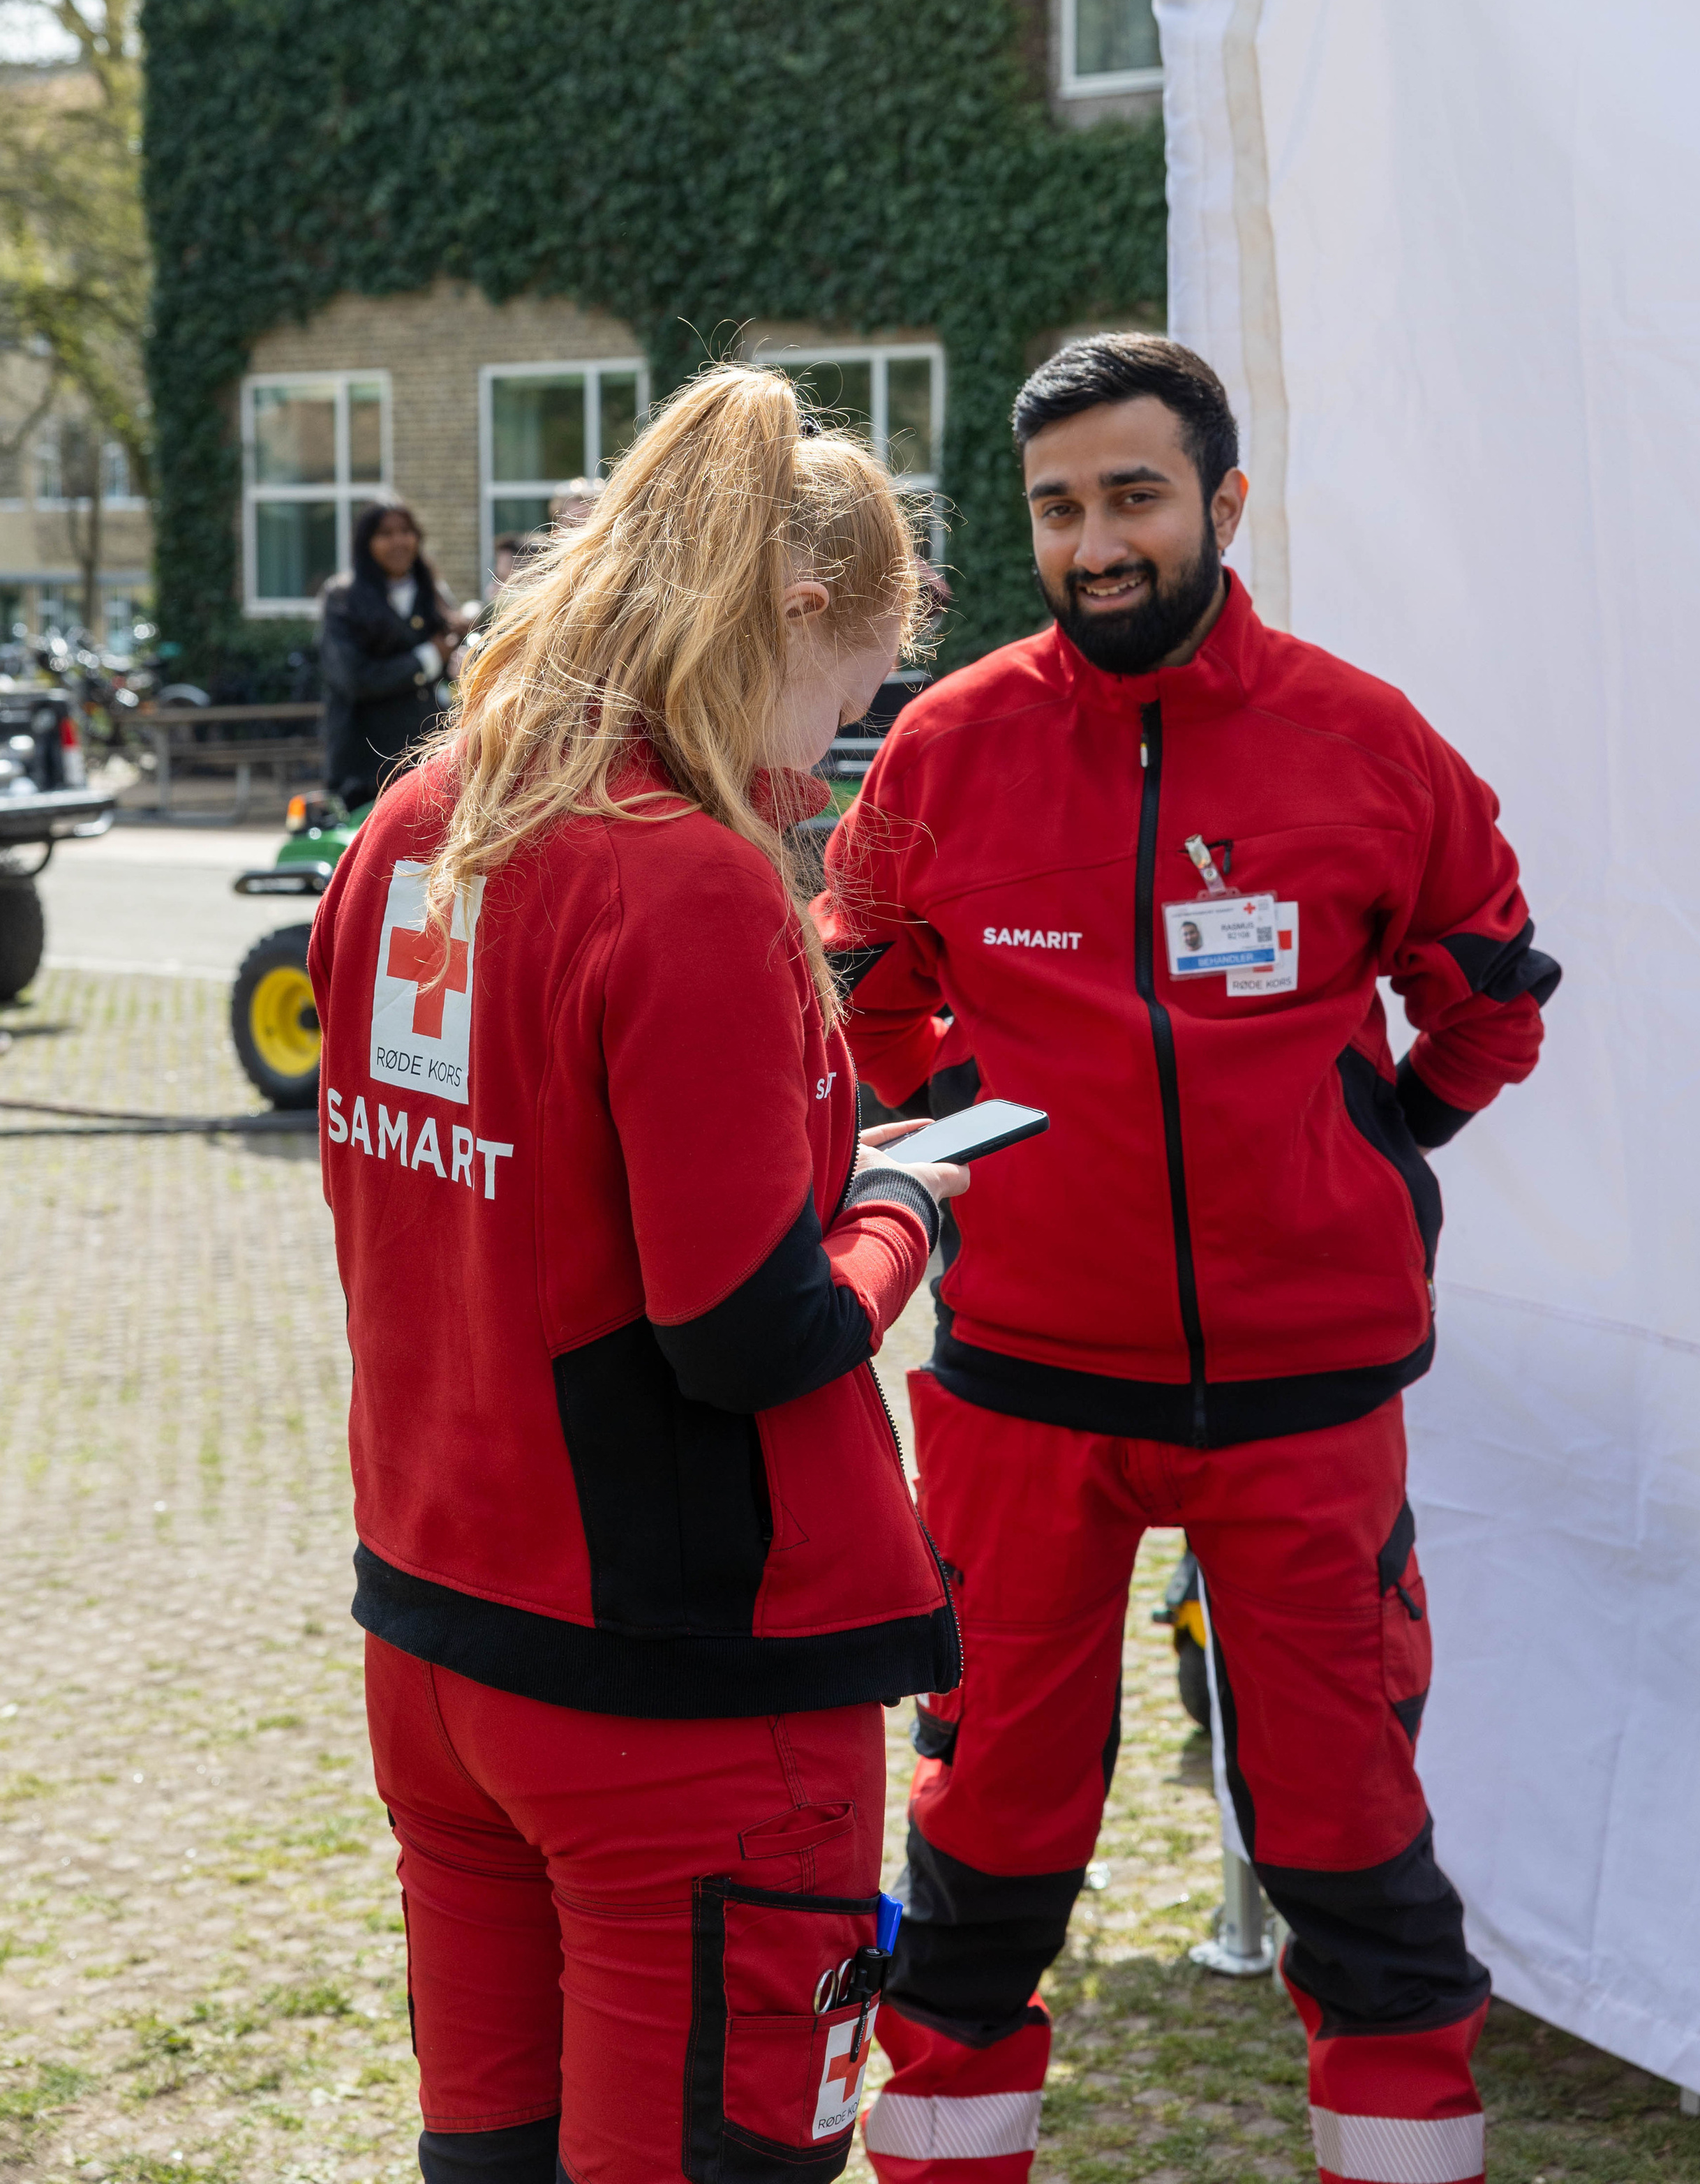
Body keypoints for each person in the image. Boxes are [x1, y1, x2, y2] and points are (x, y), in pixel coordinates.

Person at [816, 334, 1563, 2184]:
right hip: (1025, 1394)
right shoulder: (948, 743)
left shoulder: (1363, 738)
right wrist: (969, 1115)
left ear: (1225, 503)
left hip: (1304, 1407)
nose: (1097, 542)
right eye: (1060, 508)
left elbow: (1489, 991)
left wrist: (1368, 1150)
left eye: (1134, 495)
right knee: (985, 1849)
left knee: (1353, 1858)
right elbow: (858, 989)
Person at [306, 367, 968, 2184]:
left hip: (442, 1637)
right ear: (804, 621)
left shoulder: (422, 818)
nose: (838, 755)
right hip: (674, 1686)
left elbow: (422, 1211)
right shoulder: (686, 876)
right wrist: (910, 1206)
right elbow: (750, 1332)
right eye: (854, 703)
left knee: (495, 2159)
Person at [320, 502, 461, 809]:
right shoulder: (343, 598)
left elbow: (452, 664)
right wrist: (428, 658)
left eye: (406, 531)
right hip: (367, 768)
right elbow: (354, 678)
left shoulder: (431, 592)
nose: (399, 541)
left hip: (427, 761)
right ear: (365, 542)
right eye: (385, 534)